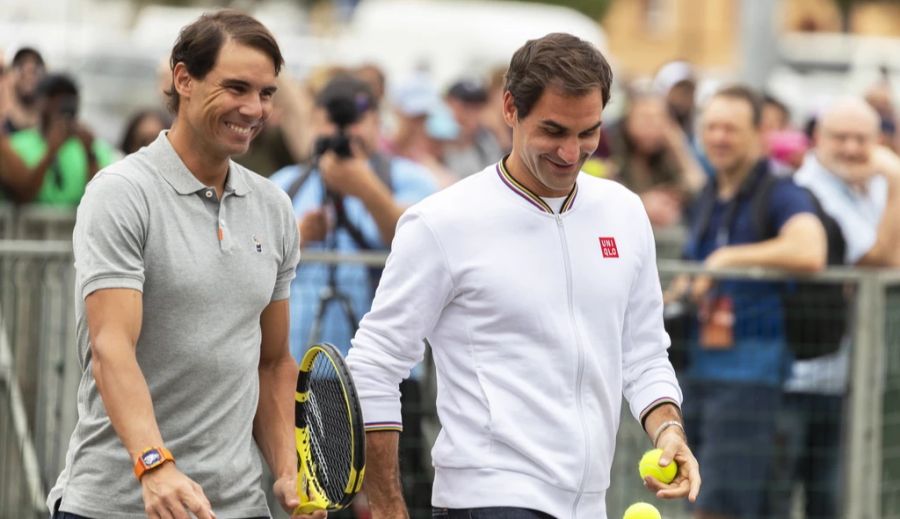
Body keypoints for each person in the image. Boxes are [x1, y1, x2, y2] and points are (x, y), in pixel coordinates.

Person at [346, 32, 701, 519]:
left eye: (588, 133)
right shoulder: (442, 221)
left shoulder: (624, 211)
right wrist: (387, 507)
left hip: (589, 503)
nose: (572, 153)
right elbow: (375, 362)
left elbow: (642, 351)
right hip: (489, 499)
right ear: (510, 108)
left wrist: (669, 430)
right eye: (553, 131)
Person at [46, 11, 321, 519]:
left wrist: (287, 466)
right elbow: (111, 348)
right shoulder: (121, 193)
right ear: (183, 80)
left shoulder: (273, 205)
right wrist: (155, 465)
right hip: (118, 503)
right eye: (236, 87)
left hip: (238, 506)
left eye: (266, 93)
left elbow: (272, 360)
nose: (253, 108)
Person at [674, 85, 827, 519]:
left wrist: (726, 260)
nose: (719, 137)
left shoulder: (779, 191)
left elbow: (809, 250)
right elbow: (691, 270)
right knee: (698, 497)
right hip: (698, 369)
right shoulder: (709, 194)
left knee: (717, 506)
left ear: (760, 133)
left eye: (731, 128)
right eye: (712, 127)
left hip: (750, 377)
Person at [767, 97, 900, 519]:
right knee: (778, 499)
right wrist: (898, 183)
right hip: (797, 376)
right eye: (839, 137)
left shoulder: (873, 186)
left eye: (860, 138)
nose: (850, 148)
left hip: (850, 377)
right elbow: (874, 259)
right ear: (817, 140)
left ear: (877, 141)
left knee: (834, 502)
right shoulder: (808, 191)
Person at [4, 73, 116, 205]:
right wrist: (50, 152)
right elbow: (23, 194)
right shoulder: (15, 145)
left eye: (68, 98)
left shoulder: (94, 147)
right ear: (38, 101)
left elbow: (103, 198)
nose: (60, 104)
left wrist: (89, 154)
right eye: (53, 97)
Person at [606, 91, 705, 227]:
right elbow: (604, 196)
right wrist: (641, 203)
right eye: (645, 117)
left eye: (660, 118)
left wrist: (678, 143)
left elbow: (698, 185)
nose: (652, 125)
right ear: (628, 119)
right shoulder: (610, 147)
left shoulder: (668, 152)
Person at [3, 47, 45, 134]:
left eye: (37, 67)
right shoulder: (3, 131)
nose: (29, 74)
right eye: (20, 66)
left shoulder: (53, 133)